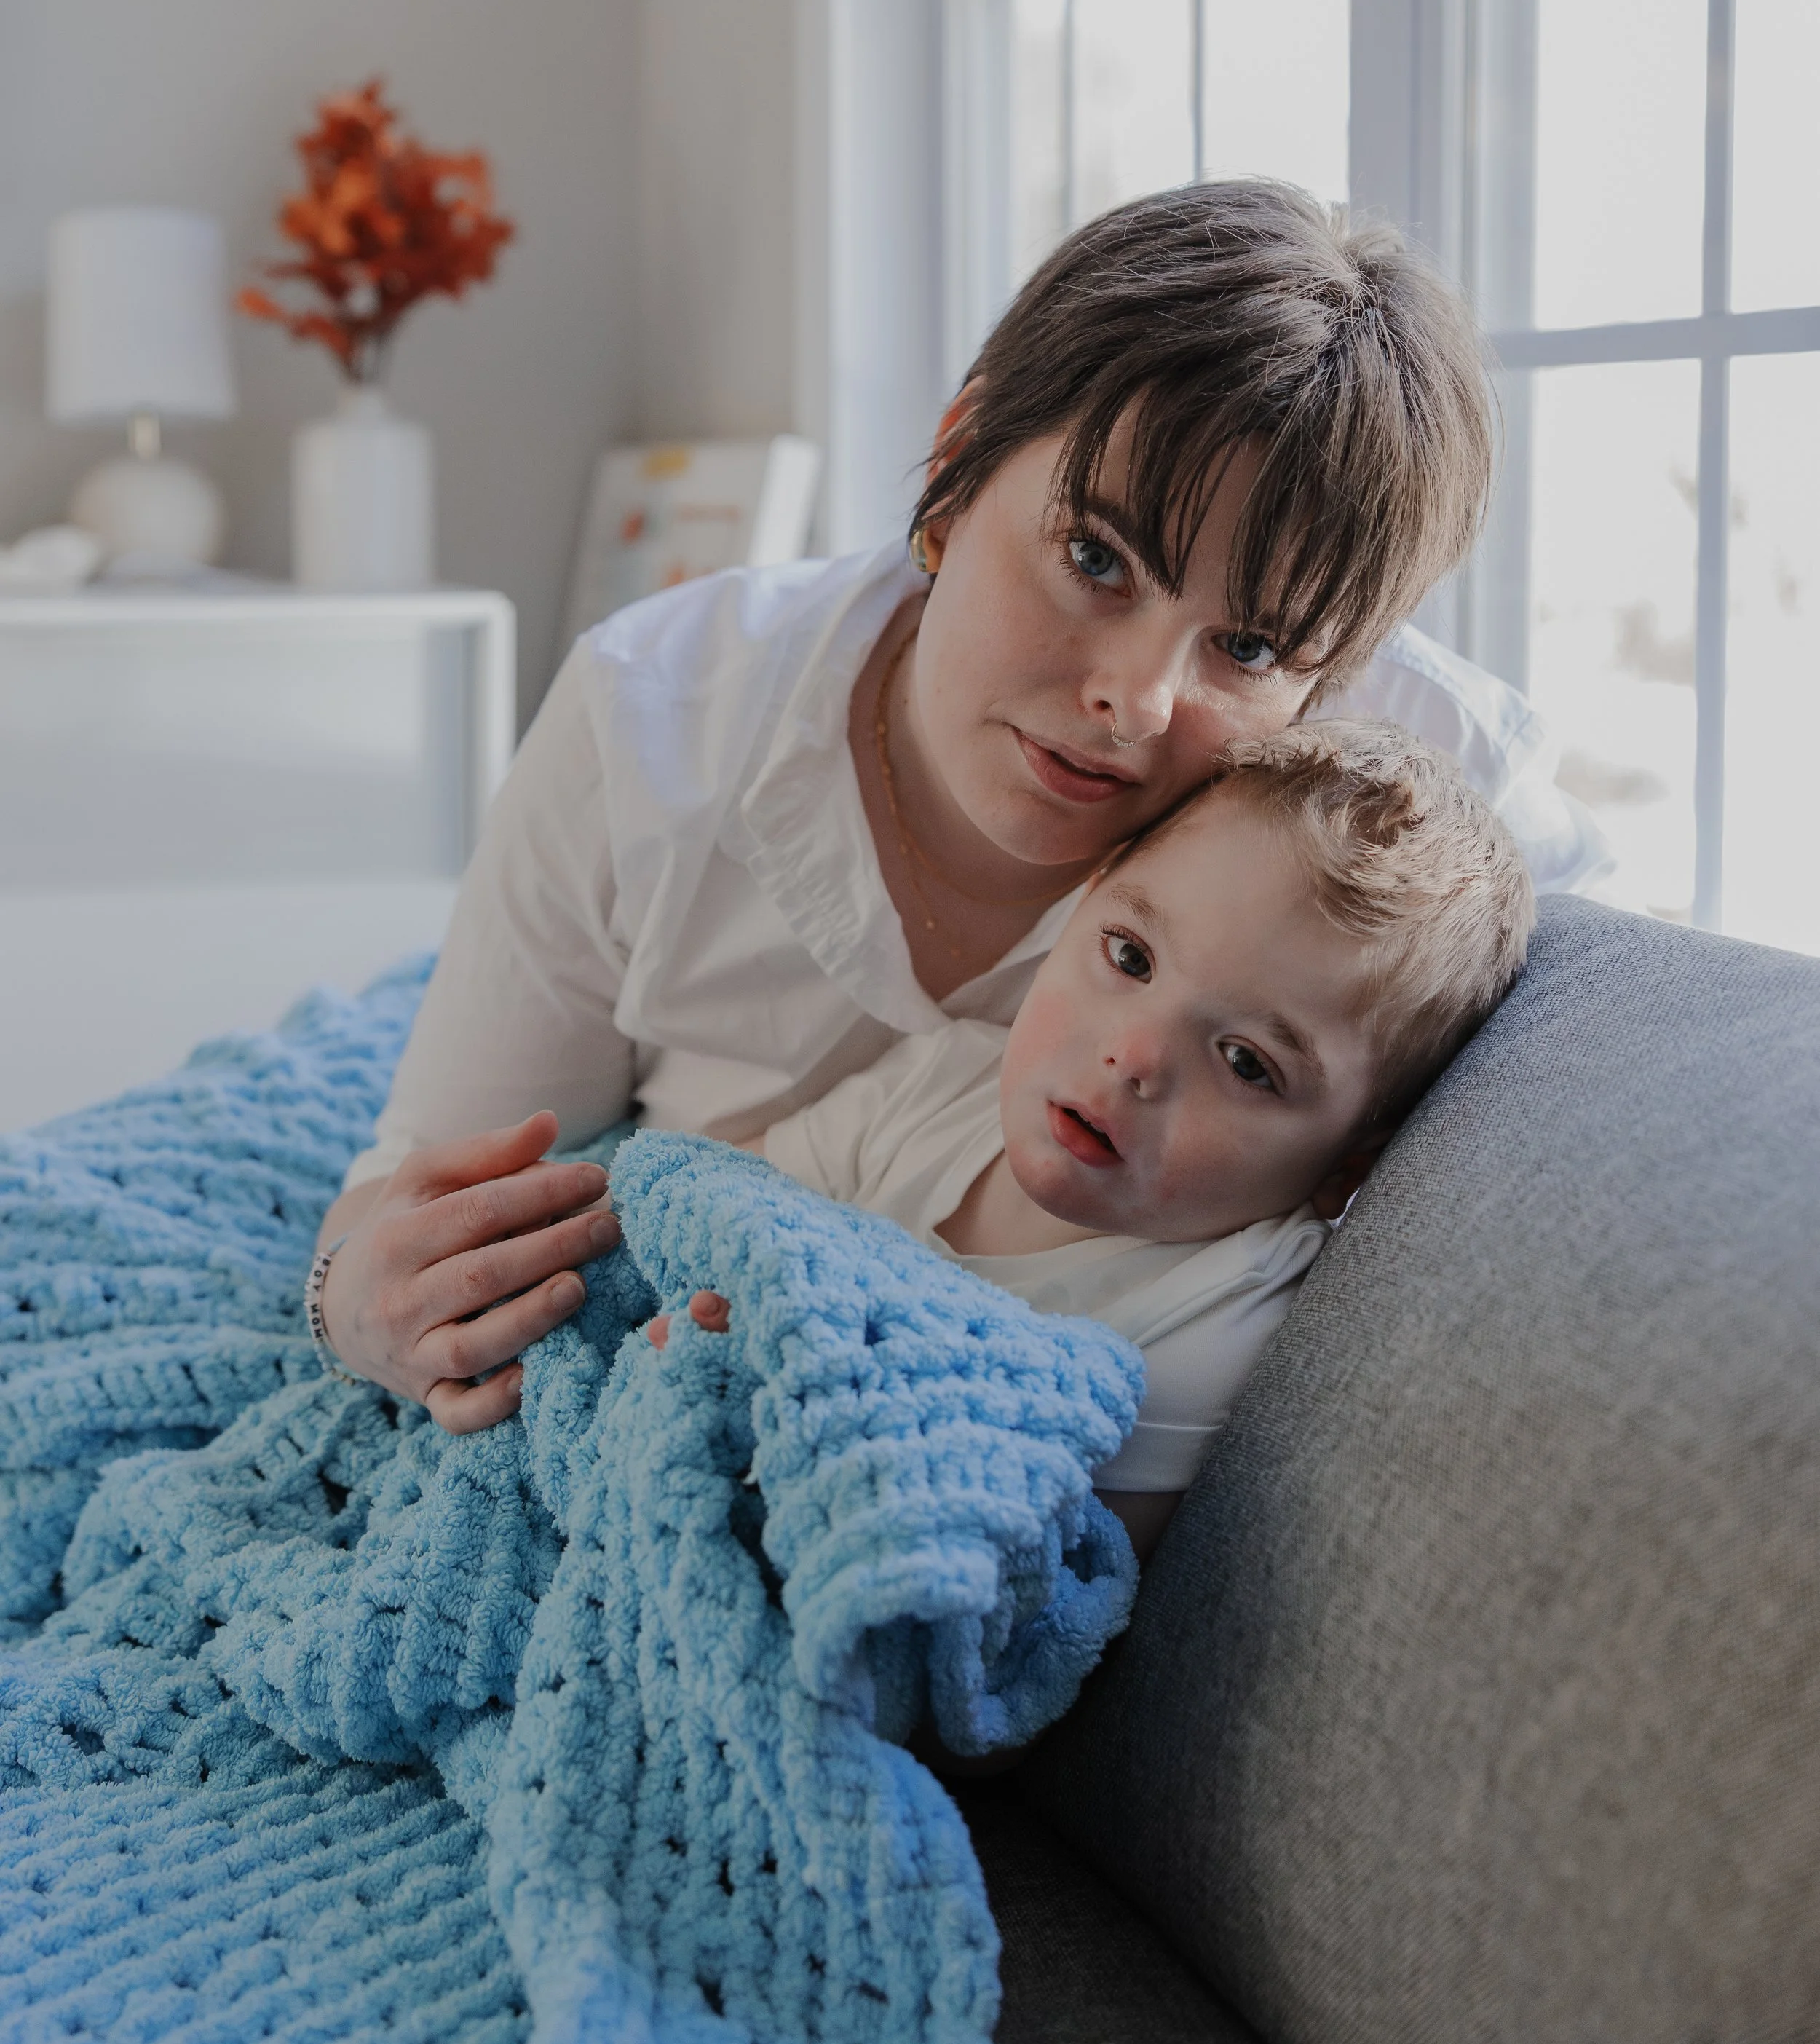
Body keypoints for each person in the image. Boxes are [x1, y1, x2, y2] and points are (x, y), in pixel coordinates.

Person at [309, 180, 1605, 1430]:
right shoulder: (651, 722)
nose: (1138, 701)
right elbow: (417, 1187)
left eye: (1252, 649)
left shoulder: (1412, 774)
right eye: (1096, 559)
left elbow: (1618, 1040)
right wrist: (358, 1299)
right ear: (957, 461)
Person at [721, 719, 1535, 1563]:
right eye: (1131, 957)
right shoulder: (945, 1080)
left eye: (1246, 1063)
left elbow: (1028, 1560)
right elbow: (714, 1203)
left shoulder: (1216, 1311)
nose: (1135, 1057)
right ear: (1085, 901)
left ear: (1348, 1167)